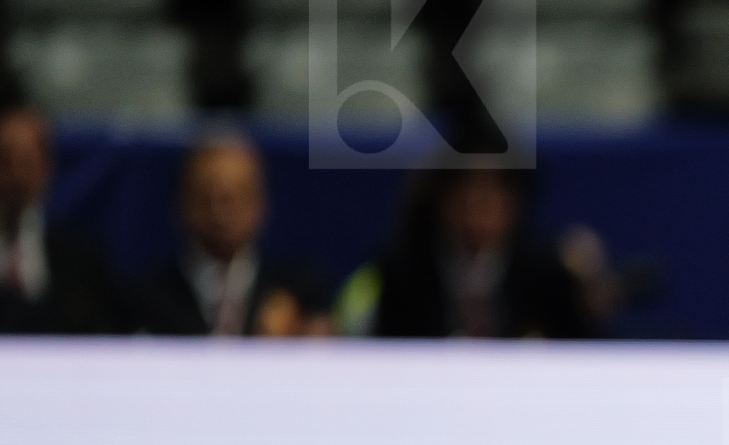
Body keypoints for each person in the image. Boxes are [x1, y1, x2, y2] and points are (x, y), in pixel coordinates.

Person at [342, 162, 591, 339]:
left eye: (489, 194)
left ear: (513, 203)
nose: (476, 211)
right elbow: (385, 354)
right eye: (465, 194)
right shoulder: (403, 271)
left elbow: (583, 350)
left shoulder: (545, 272)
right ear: (442, 200)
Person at [127, 131, 331, 336]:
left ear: (260, 203)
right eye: (206, 198)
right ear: (181, 203)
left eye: (232, 199)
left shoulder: (301, 294)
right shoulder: (143, 301)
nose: (219, 214)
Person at [0, 102, 120, 334]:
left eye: (26, 161)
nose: (16, 175)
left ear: (46, 167)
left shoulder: (82, 259)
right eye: (5, 161)